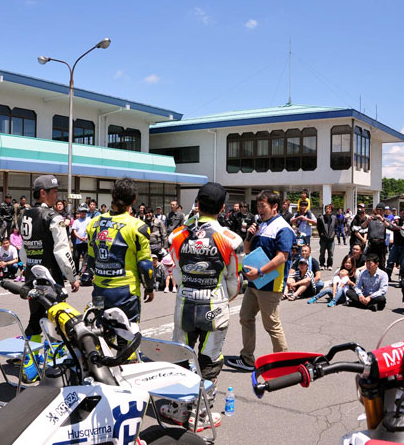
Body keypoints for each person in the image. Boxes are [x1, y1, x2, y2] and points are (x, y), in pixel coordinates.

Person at [163, 181, 242, 429]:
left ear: (197, 204)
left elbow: (175, 272)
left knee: (181, 356)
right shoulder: (231, 239)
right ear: (221, 207)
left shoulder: (176, 235)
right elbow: (233, 280)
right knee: (210, 359)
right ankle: (201, 415)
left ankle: (178, 409)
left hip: (184, 303)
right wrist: (225, 297)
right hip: (215, 304)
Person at [225, 190, 293, 373]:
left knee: (271, 324)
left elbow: (282, 257)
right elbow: (247, 250)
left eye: (263, 206)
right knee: (245, 317)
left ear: (275, 206)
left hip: (270, 284)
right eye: (258, 206)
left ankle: (282, 361)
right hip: (254, 282)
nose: (259, 210)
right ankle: (247, 358)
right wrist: (249, 236)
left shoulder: (283, 228)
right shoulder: (261, 225)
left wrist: (261, 271)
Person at [19, 175, 78, 349]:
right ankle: (57, 360)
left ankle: (30, 362)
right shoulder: (54, 217)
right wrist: (73, 277)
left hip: (32, 276)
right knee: (58, 320)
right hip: (51, 278)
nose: (57, 196)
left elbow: (23, 251)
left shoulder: (25, 214)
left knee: (35, 319)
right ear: (43, 193)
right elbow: (62, 251)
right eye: (54, 192)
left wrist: (30, 264)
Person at [86, 177, 154, 324]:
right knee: (128, 340)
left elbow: (90, 258)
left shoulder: (93, 223)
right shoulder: (139, 227)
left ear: (112, 197)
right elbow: (145, 266)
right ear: (134, 200)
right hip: (126, 293)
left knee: (101, 336)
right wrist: (149, 288)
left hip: (99, 291)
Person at [385, 208, 404, 280]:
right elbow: (391, 227)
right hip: (396, 244)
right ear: (400, 213)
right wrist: (397, 227)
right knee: (390, 261)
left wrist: (397, 227)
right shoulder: (396, 220)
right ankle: (388, 277)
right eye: (402, 212)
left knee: (403, 263)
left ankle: (401, 279)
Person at [71, 205, 91, 274]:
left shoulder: (89, 220)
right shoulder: (76, 221)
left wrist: (86, 238)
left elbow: (90, 230)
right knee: (76, 256)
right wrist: (79, 237)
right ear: (79, 212)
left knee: (85, 257)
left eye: (85, 212)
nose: (83, 213)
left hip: (86, 241)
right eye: (82, 211)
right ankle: (76, 270)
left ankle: (83, 271)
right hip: (78, 241)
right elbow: (74, 231)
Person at [316, 204, 336, 270]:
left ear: (331, 210)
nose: (328, 210)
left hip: (331, 238)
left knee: (331, 253)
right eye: (326, 209)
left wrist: (334, 234)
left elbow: (336, 227)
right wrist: (321, 235)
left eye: (329, 209)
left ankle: (329, 265)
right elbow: (318, 227)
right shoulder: (321, 218)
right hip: (323, 238)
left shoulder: (334, 218)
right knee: (322, 252)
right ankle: (322, 264)